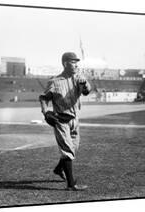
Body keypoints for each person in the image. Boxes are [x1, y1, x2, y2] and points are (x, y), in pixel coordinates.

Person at [39, 52, 91, 191]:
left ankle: (58, 169)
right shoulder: (55, 82)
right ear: (65, 63)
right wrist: (45, 112)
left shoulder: (79, 78)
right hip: (61, 120)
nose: (76, 64)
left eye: (76, 62)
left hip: (75, 120)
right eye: (73, 62)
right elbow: (44, 98)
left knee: (73, 149)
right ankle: (71, 184)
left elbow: (87, 91)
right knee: (68, 150)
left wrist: (85, 84)